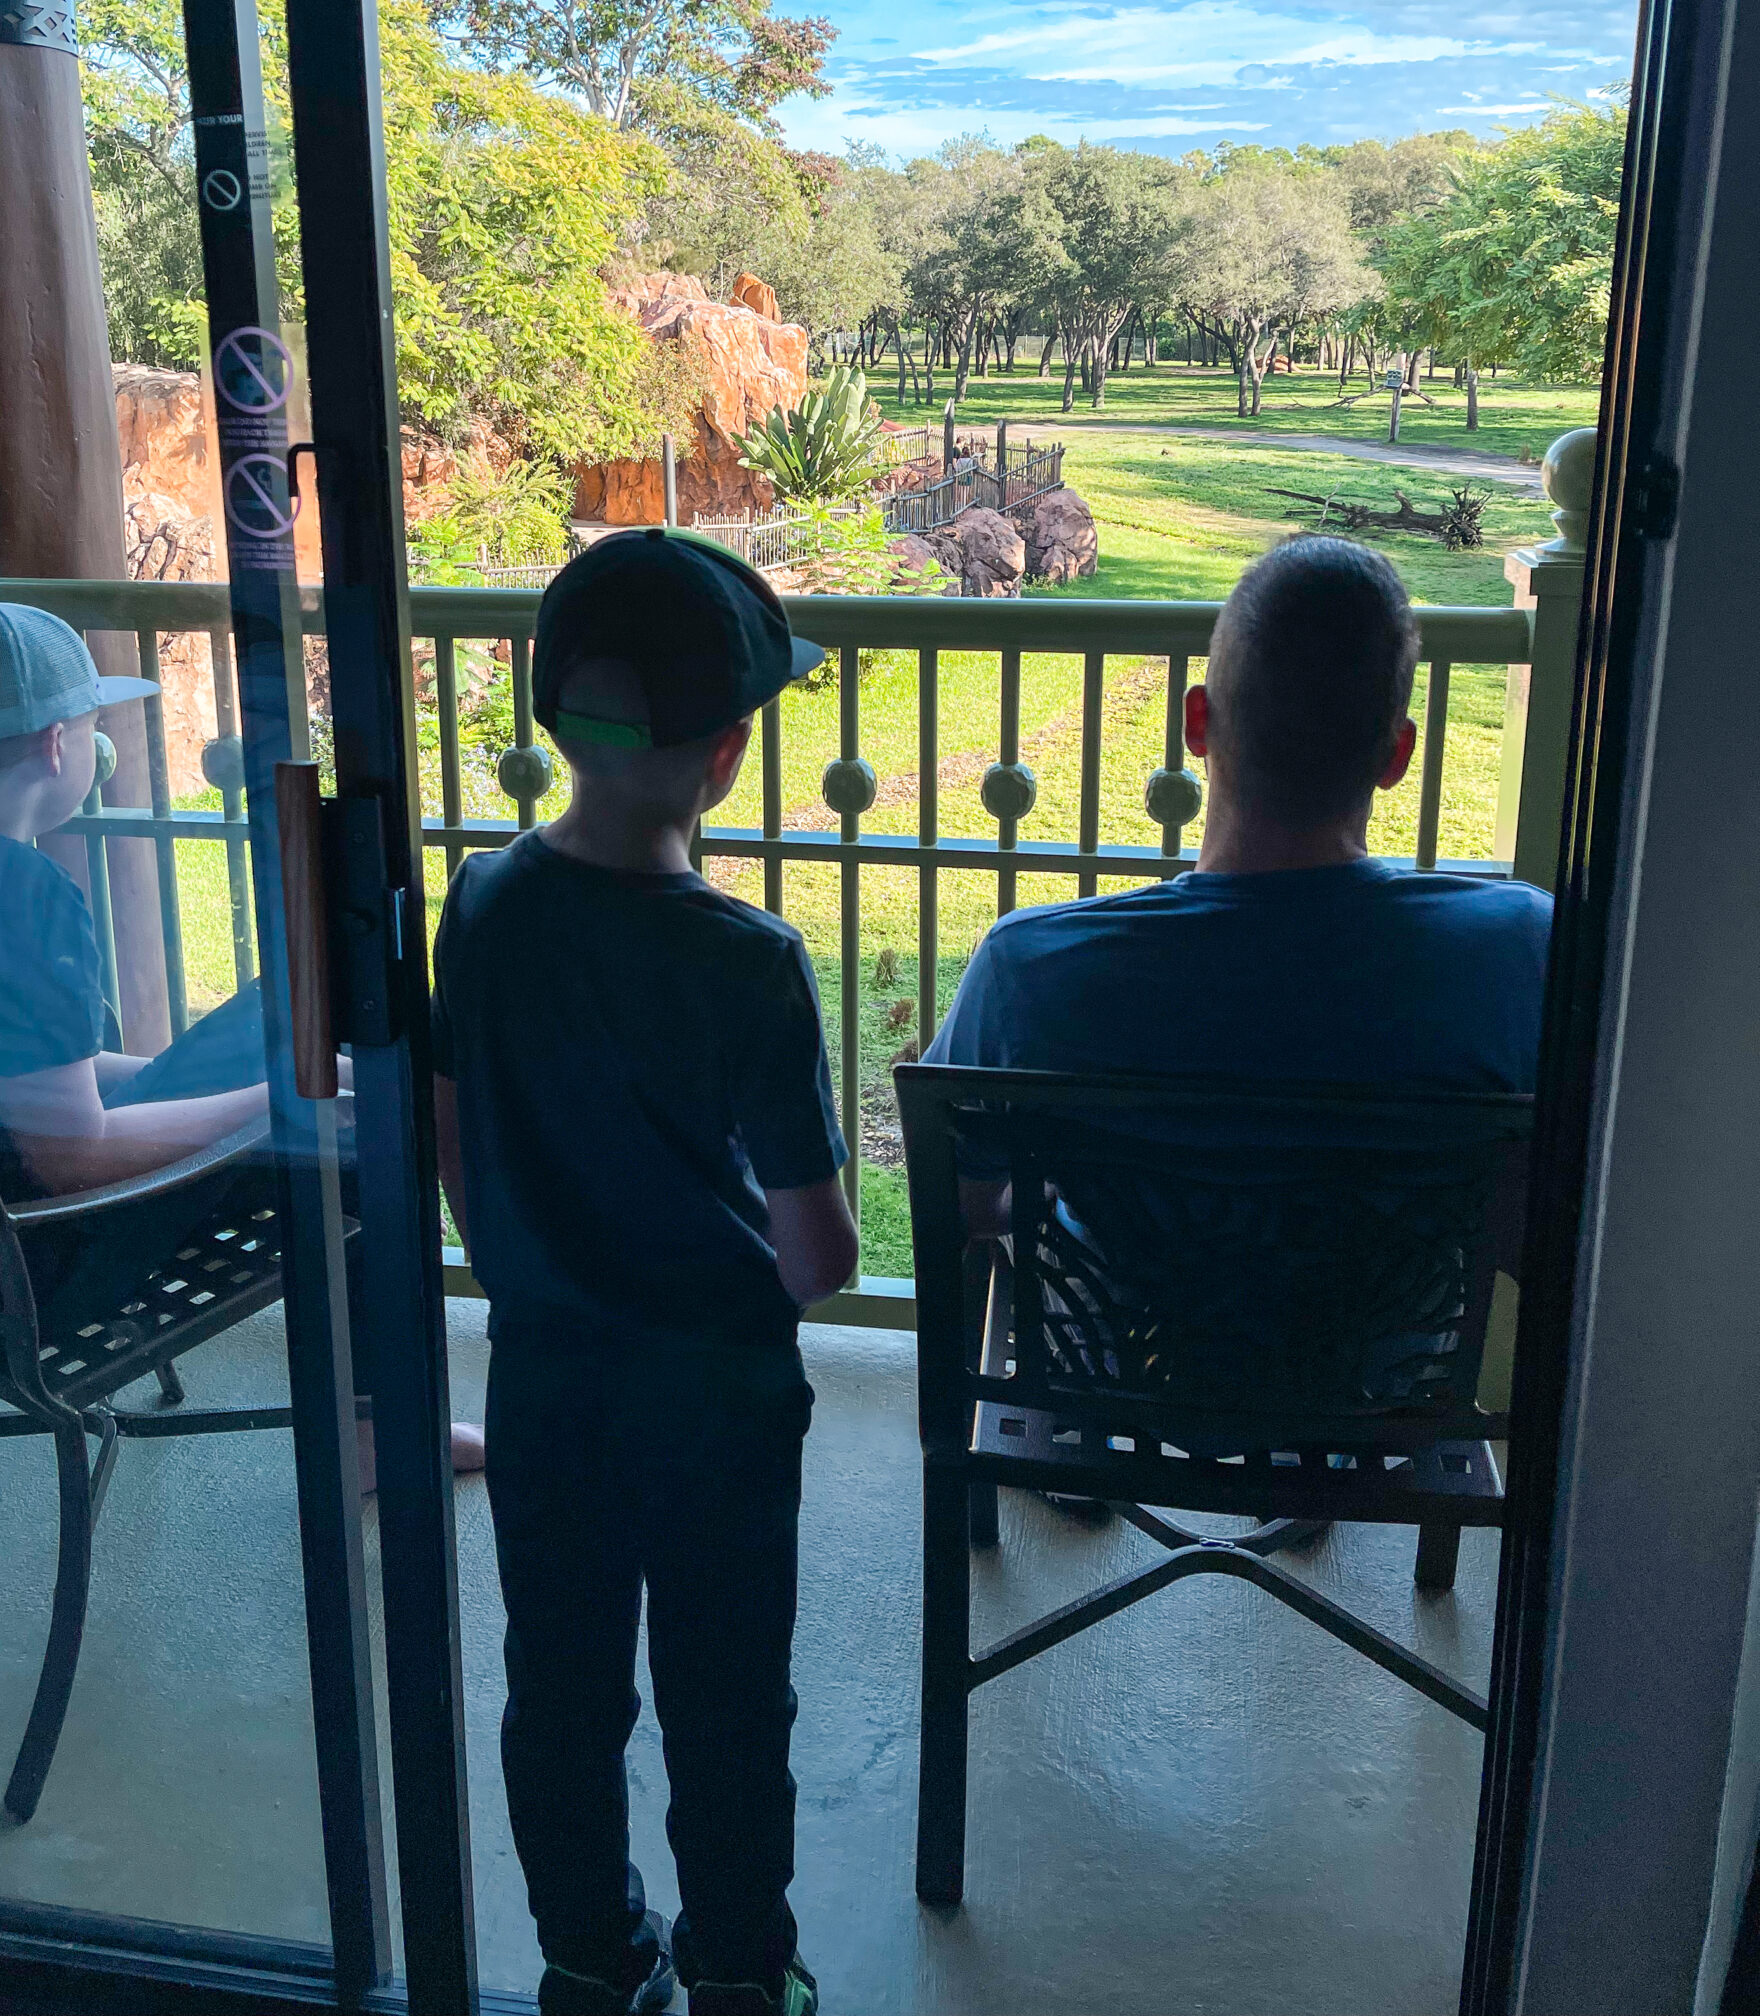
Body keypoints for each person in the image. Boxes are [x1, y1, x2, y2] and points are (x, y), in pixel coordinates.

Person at [431, 530, 858, 2016]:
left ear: (558, 722)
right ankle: (743, 1973)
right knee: (728, 1702)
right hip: (722, 1406)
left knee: (559, 1691)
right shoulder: (748, 960)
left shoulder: (481, 904)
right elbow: (818, 1258)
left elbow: (454, 1150)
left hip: (548, 1377)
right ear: (727, 757)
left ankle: (590, 1961)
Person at [0, 598, 483, 1475]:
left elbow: (10, 1070)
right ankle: (379, 1431)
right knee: (355, 1121)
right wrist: (283, 1097)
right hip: (41, 1257)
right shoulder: (18, 899)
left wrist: (233, 1076)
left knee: (291, 1009)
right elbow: (73, 1154)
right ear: (59, 744)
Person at [929, 536, 1553, 1241]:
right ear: (1396, 755)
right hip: (1383, 1354)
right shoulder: (1523, 949)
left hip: (1130, 1347)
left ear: (1198, 722)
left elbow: (959, 1196)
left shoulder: (1031, 965)